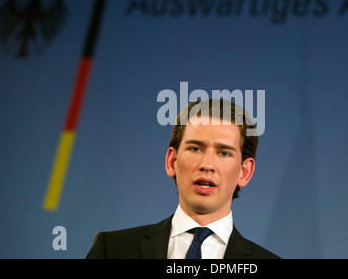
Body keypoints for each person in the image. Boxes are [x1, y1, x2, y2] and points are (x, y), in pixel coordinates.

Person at [86, 99, 280, 259]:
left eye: (223, 153)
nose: (207, 164)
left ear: (244, 172)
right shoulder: (112, 250)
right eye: (195, 148)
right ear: (172, 161)